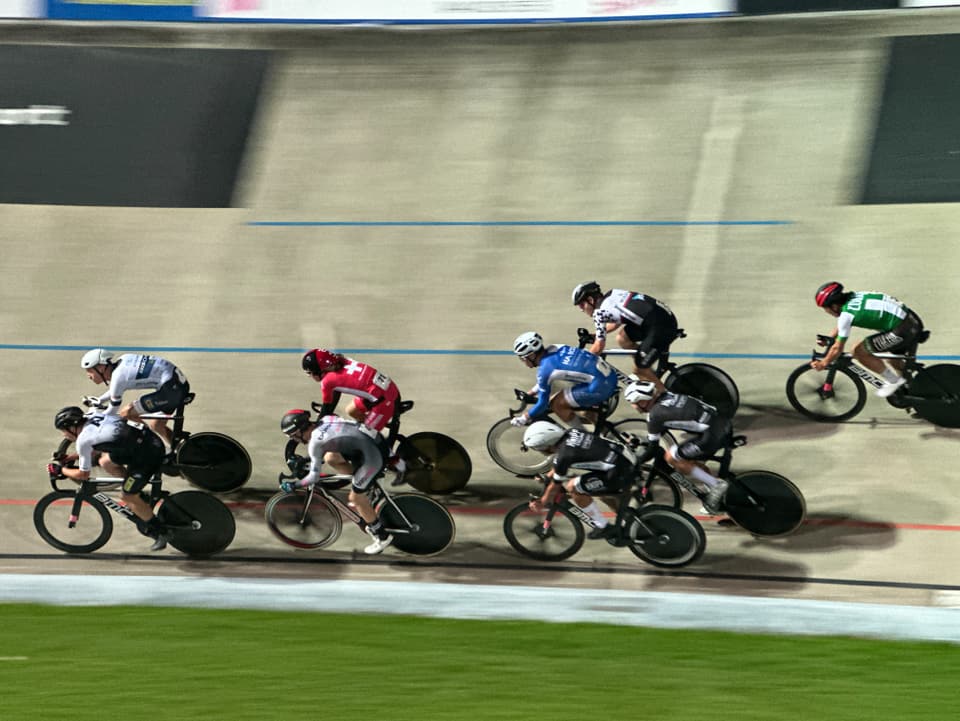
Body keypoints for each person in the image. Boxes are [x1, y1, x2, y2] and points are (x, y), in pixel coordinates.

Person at [47, 406, 169, 551]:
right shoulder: (93, 415)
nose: (64, 435)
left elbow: (83, 475)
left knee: (127, 496)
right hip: (145, 441)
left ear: (72, 428)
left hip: (148, 455)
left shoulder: (83, 440)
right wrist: (72, 457)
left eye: (64, 431)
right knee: (105, 461)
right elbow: (97, 444)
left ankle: (161, 533)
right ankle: (141, 497)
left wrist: (62, 470)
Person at [279, 409, 394, 554]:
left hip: (374, 456)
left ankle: (382, 537)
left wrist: (294, 485)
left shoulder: (315, 442)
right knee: (331, 458)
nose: (295, 440)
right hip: (377, 442)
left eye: (294, 436)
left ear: (300, 432)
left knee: (355, 498)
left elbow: (313, 478)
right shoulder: (326, 418)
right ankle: (367, 482)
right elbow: (337, 437)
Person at [623, 378, 730, 514]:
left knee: (671, 457)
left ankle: (716, 485)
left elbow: (652, 449)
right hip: (722, 422)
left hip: (711, 436)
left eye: (634, 403)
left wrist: (635, 463)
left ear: (643, 401)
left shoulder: (654, 415)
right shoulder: (669, 395)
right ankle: (713, 491)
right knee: (689, 460)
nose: (633, 406)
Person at [522, 421, 639, 539]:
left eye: (537, 448)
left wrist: (542, 502)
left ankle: (602, 526)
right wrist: (548, 476)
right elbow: (559, 464)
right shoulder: (572, 432)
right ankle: (632, 520)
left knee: (573, 487)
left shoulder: (564, 455)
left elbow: (556, 484)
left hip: (620, 472)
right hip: (625, 461)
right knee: (600, 492)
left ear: (546, 444)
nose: (539, 451)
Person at [812, 282, 925, 398]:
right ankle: (915, 390)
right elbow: (843, 324)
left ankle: (893, 381)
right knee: (893, 360)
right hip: (911, 321)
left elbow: (838, 348)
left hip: (901, 330)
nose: (826, 312)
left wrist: (824, 363)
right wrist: (831, 338)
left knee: (858, 351)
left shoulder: (846, 315)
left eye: (826, 309)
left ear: (834, 306)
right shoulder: (856, 296)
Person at [571, 281, 679, 392]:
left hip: (661, 327)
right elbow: (616, 321)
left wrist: (582, 361)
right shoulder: (612, 294)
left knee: (639, 369)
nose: (581, 309)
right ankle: (647, 367)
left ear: (590, 300)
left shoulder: (599, 312)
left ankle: (665, 396)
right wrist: (595, 335)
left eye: (581, 305)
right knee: (622, 338)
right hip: (661, 318)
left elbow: (599, 347)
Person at [80, 348, 190, 451]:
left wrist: (94, 420)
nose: (89, 376)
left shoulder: (119, 377)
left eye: (90, 371)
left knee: (126, 413)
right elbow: (116, 389)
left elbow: (112, 411)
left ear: (101, 368)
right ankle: (181, 449)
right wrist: (100, 400)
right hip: (176, 384)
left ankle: (152, 444)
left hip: (171, 390)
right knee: (156, 425)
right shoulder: (123, 359)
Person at [509, 331, 619, 429]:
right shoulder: (555, 348)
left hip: (600, 386)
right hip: (608, 375)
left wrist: (524, 418)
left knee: (556, 403)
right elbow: (546, 380)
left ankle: (581, 437)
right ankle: (606, 432)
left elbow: (542, 403)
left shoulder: (544, 370)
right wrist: (532, 392)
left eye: (522, 358)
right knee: (585, 411)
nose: (522, 361)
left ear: (531, 355)